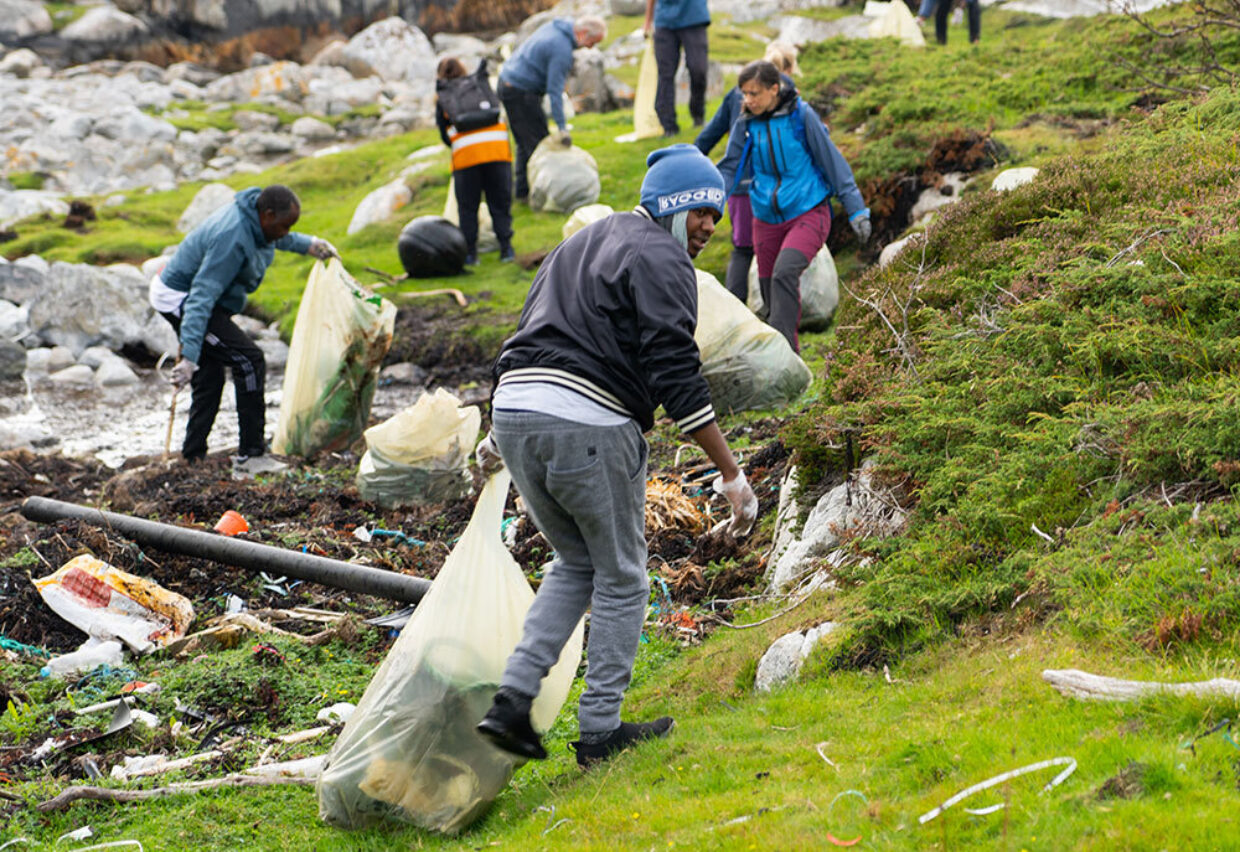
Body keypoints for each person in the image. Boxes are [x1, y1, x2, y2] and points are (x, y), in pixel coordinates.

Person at [473, 145, 759, 769]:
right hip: (586, 420)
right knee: (624, 575)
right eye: (703, 212)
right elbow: (675, 370)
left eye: (717, 215)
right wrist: (731, 474)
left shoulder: (581, 242)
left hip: (516, 411)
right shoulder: (660, 254)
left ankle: (512, 703)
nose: (711, 227)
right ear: (673, 204)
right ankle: (600, 733)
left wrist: (497, 433)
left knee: (575, 562)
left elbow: (528, 332)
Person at [148, 185, 335, 475]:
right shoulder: (232, 237)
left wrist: (310, 245)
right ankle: (251, 455)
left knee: (210, 375)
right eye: (285, 225)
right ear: (268, 214)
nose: (286, 232)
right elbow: (200, 297)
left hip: (199, 297)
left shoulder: (256, 220)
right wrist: (189, 358)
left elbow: (275, 239)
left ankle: (192, 457)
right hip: (180, 298)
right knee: (248, 359)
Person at [718, 60, 871, 353]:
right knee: (768, 293)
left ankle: (787, 357)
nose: (748, 100)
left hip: (808, 210)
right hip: (764, 217)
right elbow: (729, 167)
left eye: (754, 94)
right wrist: (710, 205)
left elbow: (832, 161)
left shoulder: (801, 115)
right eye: (744, 94)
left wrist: (856, 209)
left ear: (774, 89)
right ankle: (781, 358)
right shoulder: (746, 123)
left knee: (784, 273)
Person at [695, 42, 800, 301]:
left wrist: (691, 165)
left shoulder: (736, 93)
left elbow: (710, 135)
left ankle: (737, 315)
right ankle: (776, 315)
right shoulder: (788, 94)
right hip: (778, 187)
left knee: (742, 249)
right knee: (778, 252)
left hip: (741, 186)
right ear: (788, 68)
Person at [498, 16, 606, 202]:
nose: (590, 47)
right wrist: (562, 128)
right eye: (592, 42)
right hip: (519, 90)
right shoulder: (560, 49)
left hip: (510, 83)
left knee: (526, 141)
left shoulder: (558, 26)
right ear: (582, 33)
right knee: (538, 143)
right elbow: (555, 92)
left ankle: (522, 192)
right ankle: (541, 194)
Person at [436, 57, 515, 265]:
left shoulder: (444, 95)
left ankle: (471, 254)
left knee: (468, 207)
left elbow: (444, 135)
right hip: (497, 152)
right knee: (499, 203)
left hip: (466, 159)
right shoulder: (480, 85)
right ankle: (506, 248)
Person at [644, 0, 710, 137]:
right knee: (665, 74)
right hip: (665, 22)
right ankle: (668, 125)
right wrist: (648, 22)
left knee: (698, 69)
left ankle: (698, 115)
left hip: (694, 18)